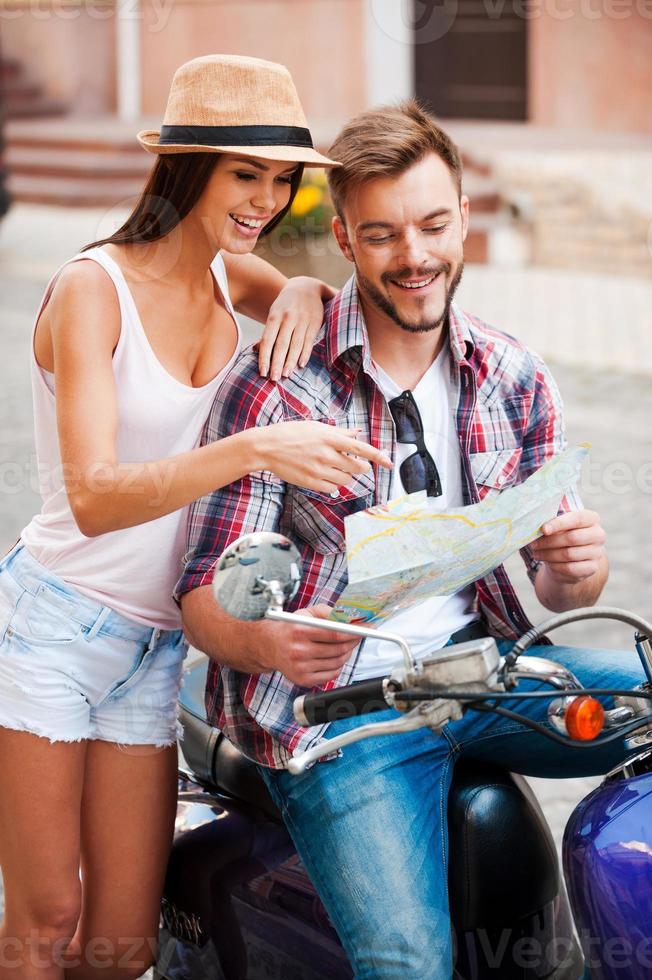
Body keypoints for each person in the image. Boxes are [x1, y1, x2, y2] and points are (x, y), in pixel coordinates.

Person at [178, 101, 642, 979]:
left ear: (465, 218)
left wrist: (582, 567)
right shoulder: (277, 388)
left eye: (433, 225)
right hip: (344, 718)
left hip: (483, 674)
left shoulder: (513, 372)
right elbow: (202, 598)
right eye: (383, 235)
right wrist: (265, 641)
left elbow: (562, 595)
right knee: (407, 964)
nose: (416, 256)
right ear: (346, 242)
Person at [0, 55, 392, 980]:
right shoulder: (93, 289)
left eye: (281, 178)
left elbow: (326, 306)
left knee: (126, 940)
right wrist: (255, 448)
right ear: (187, 167)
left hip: (156, 653)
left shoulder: (227, 274)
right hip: (54, 626)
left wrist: (300, 288)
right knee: (48, 919)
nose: (265, 198)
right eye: (243, 174)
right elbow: (95, 495)